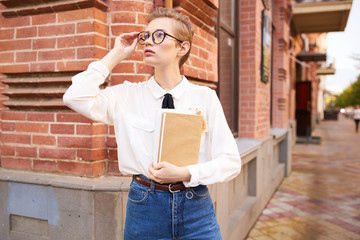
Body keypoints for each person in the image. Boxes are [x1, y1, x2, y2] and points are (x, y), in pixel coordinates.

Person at [63, 7, 241, 240]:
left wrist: (186, 173)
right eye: (146, 36)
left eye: (159, 36)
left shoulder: (204, 97)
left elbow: (230, 162)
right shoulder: (126, 95)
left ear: (182, 47)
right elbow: (74, 97)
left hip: (196, 209)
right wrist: (116, 54)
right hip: (145, 207)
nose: (148, 42)